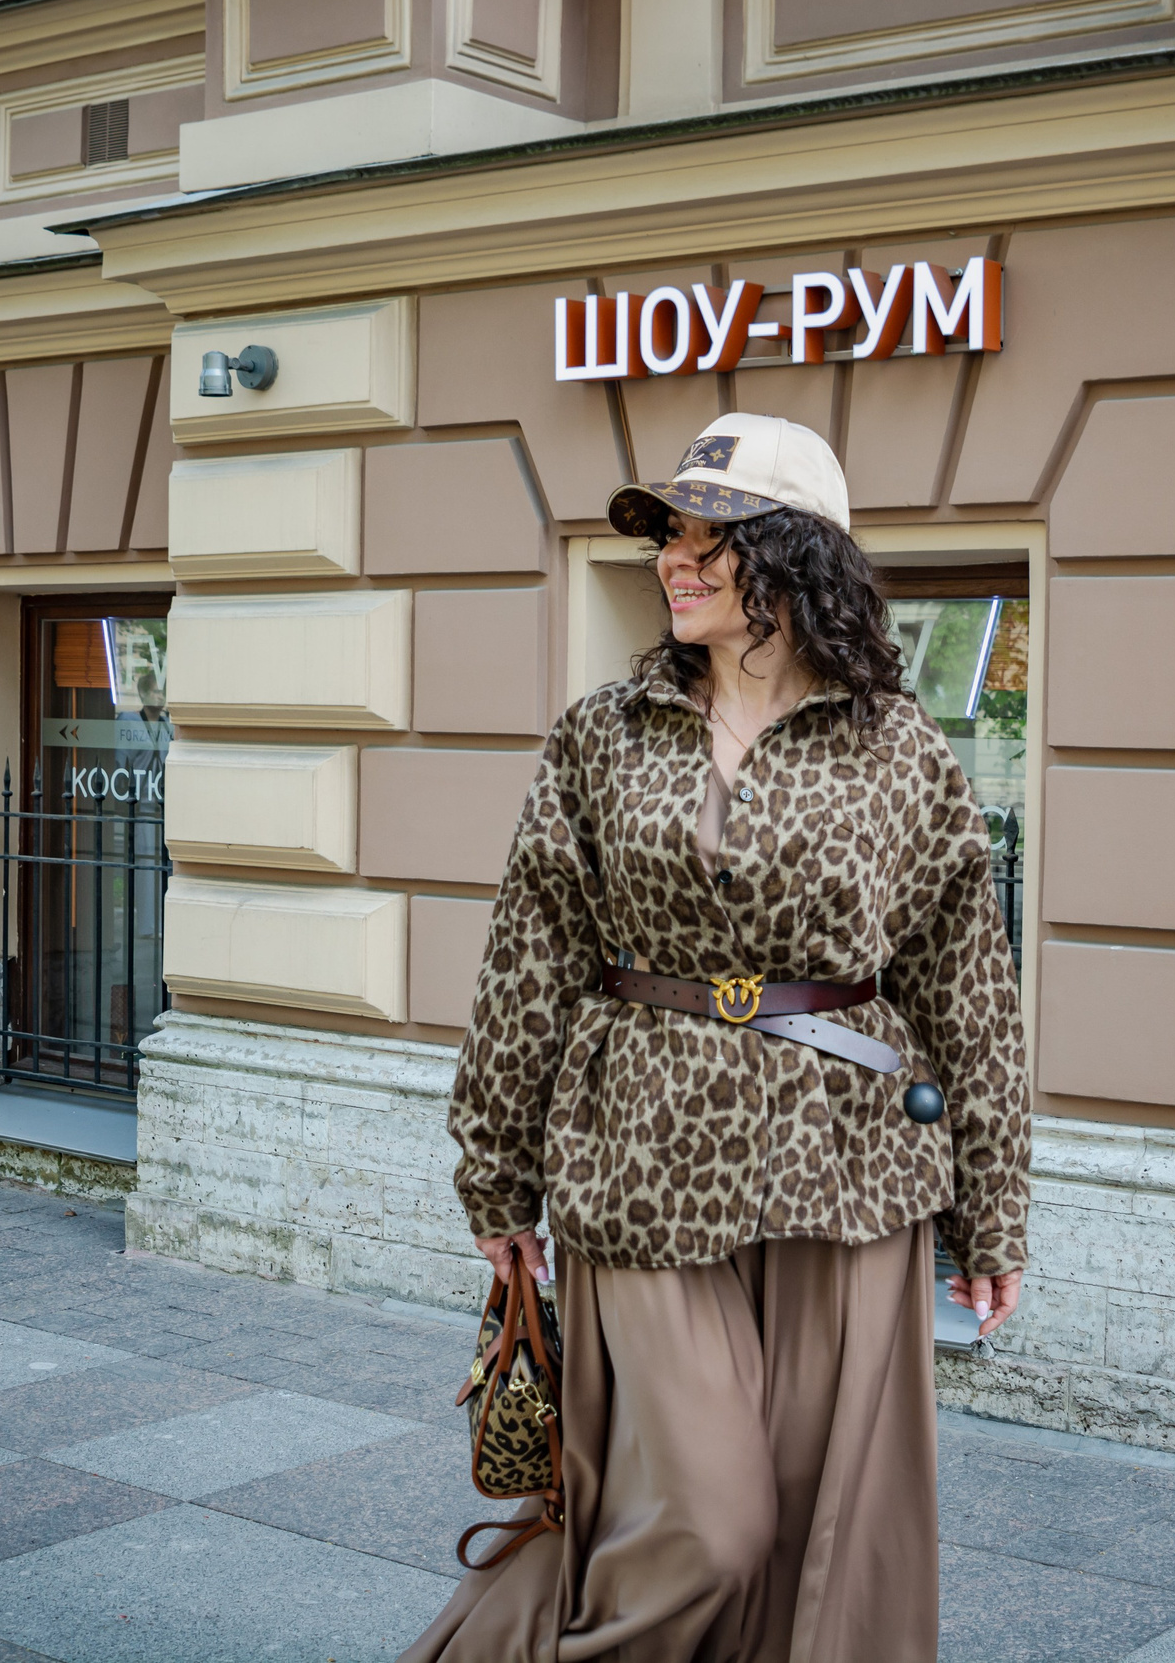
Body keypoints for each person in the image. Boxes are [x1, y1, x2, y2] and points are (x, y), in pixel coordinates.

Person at [404, 413, 1029, 1663]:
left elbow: (968, 985)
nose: (672, 562)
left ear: (795, 559)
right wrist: (494, 1172)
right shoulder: (603, 733)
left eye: (708, 539)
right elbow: (532, 952)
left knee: (825, 1535)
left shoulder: (898, 746)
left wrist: (994, 1210)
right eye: (668, 538)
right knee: (703, 1527)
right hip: (638, 1162)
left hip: (848, 1176)